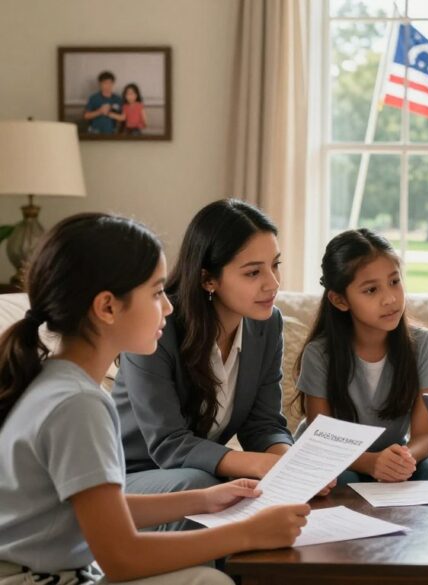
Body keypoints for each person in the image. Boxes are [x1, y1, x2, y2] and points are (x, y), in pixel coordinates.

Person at [0, 213, 309, 585]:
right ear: (107, 307)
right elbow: (121, 557)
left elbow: (91, 512)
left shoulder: (61, 384)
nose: (168, 306)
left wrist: (205, 499)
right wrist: (248, 533)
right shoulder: (77, 405)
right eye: (156, 292)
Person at [114, 200, 327, 530]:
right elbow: (169, 444)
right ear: (208, 279)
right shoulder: (157, 327)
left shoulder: (267, 325)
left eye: (275, 265)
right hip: (130, 479)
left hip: (201, 473)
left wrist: (288, 463)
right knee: (203, 484)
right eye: (253, 272)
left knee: (258, 490)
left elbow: (264, 424)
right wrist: (258, 465)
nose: (272, 283)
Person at [295, 229, 428, 485]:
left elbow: (424, 437)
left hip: (391, 455)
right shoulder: (320, 353)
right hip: (332, 459)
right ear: (339, 300)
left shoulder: (423, 344)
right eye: (371, 290)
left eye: (394, 281)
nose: (390, 299)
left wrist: (402, 460)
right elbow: (320, 438)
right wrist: (372, 463)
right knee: (343, 480)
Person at [83, 71, 124, 135]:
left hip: (112, 132)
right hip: (95, 132)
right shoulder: (94, 98)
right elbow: (86, 116)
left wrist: (109, 113)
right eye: (105, 83)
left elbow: (122, 118)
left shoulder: (118, 99)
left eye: (110, 83)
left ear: (113, 84)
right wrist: (100, 111)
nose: (108, 86)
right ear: (100, 84)